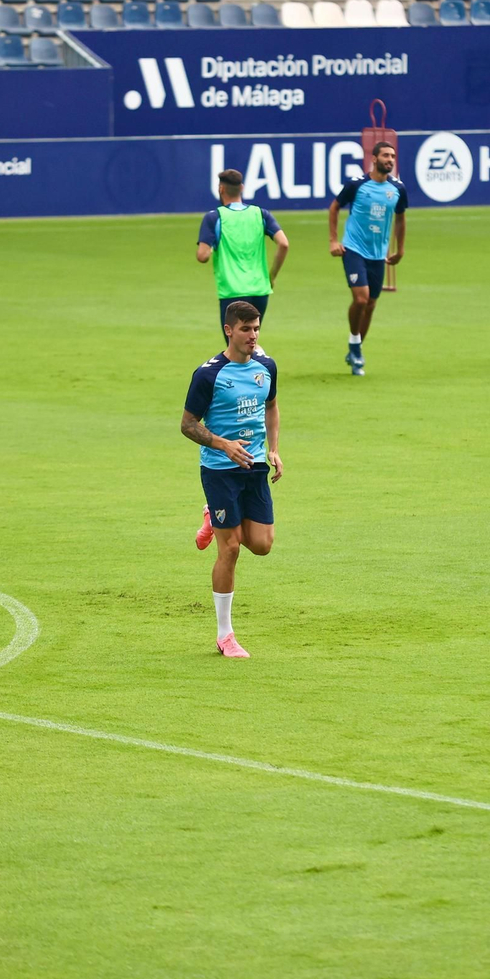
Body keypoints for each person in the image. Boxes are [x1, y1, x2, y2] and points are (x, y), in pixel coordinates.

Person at [181, 301, 282, 657]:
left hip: (254, 466)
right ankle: (225, 635)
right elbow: (188, 424)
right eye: (246, 329)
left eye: (256, 329)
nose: (253, 336)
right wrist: (222, 444)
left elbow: (270, 406)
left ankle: (211, 515)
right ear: (229, 330)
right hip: (220, 469)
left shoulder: (266, 366)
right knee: (231, 548)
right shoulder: (208, 375)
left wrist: (273, 450)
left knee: (262, 544)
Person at [328, 142, 408, 377]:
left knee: (371, 304)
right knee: (361, 300)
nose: (390, 159)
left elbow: (401, 218)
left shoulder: (398, 189)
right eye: (385, 155)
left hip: (378, 254)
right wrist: (334, 241)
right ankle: (354, 345)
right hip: (354, 249)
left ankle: (356, 350)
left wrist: (400, 249)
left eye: (393, 156)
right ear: (373, 159)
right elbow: (334, 208)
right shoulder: (357, 184)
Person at [196, 169, 290, 341]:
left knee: (237, 349)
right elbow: (283, 243)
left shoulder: (215, 217)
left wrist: (209, 247)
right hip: (260, 291)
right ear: (242, 188)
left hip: (233, 292)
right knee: (249, 343)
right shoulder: (260, 214)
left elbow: (202, 256)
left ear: (221, 189)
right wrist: (272, 276)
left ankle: (265, 366)